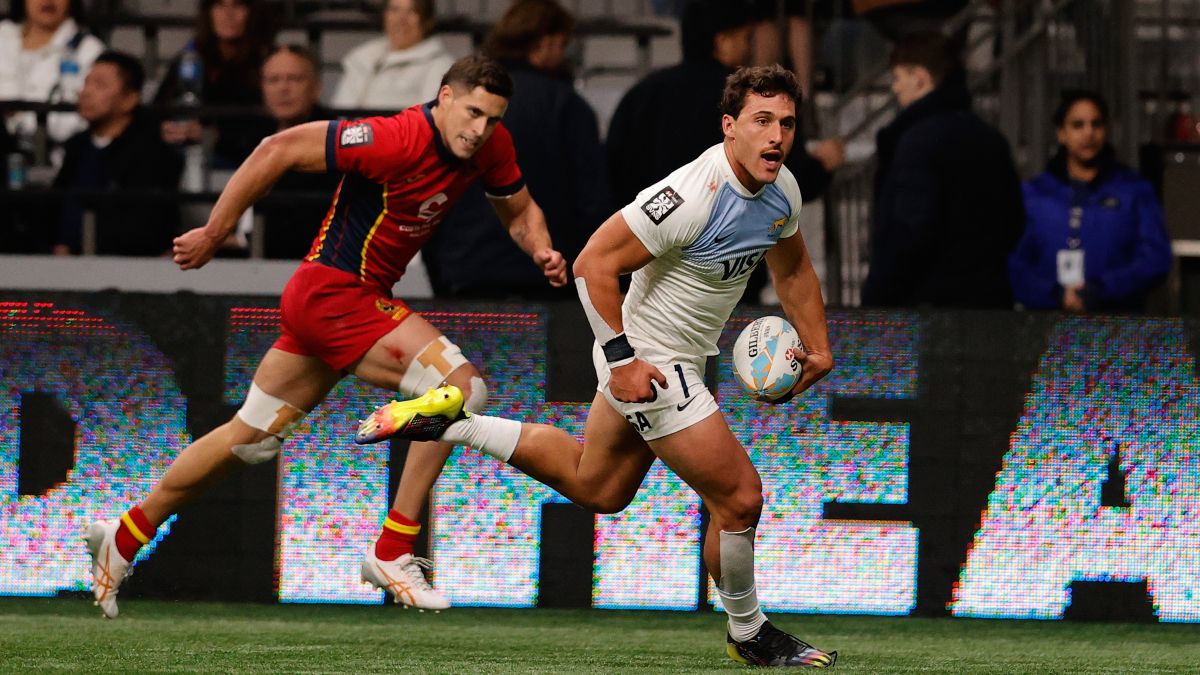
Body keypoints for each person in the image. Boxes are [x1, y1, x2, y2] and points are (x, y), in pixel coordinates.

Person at [359, 65, 837, 668]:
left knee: (598, 487)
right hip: (650, 359)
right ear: (729, 127)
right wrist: (623, 361)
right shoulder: (692, 195)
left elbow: (791, 269)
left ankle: (451, 424)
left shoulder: (782, 190)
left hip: (675, 356)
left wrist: (818, 349)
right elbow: (592, 263)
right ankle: (750, 632)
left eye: (787, 124)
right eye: (761, 121)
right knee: (740, 499)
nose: (776, 137)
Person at [84, 56, 568, 619]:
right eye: (473, 112)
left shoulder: (489, 145)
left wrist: (539, 248)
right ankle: (393, 548)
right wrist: (216, 231)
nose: (480, 129)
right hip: (337, 294)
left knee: (250, 438)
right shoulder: (395, 137)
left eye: (493, 118)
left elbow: (519, 208)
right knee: (460, 388)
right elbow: (277, 148)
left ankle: (124, 535)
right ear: (444, 97)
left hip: (337, 302)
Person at [606, 0, 844, 235]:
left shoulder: (639, 96)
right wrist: (822, 166)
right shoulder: (752, 100)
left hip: (651, 254)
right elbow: (786, 179)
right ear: (722, 42)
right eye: (746, 38)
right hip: (726, 257)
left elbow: (612, 179)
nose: (750, 48)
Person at [423, 0, 608, 299]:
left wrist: (442, 272)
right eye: (561, 45)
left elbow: (431, 189)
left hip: (466, 274)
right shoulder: (568, 106)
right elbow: (592, 204)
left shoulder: (460, 102)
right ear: (544, 43)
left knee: (470, 349)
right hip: (547, 281)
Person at [860, 31, 1023, 308]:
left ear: (920, 78)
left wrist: (877, 298)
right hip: (989, 303)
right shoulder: (991, 138)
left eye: (898, 78)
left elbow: (908, 235)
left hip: (927, 307)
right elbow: (1014, 222)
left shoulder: (917, 142)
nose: (895, 88)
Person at [1009, 91, 1171, 313]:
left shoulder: (1134, 190)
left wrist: (1101, 288)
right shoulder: (1034, 194)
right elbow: (1012, 263)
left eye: (1096, 124)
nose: (1088, 133)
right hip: (1044, 325)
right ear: (1062, 133)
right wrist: (1053, 294)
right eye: (1078, 125)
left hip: (1116, 327)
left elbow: (1155, 259)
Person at [51, 51, 183, 256]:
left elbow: (148, 226)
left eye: (100, 85)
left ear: (130, 99)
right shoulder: (76, 147)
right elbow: (54, 208)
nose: (85, 92)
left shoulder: (155, 154)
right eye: (86, 83)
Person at [154, 0, 276, 166]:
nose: (228, 14)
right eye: (220, 5)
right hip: (188, 155)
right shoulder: (190, 58)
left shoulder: (270, 61)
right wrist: (168, 129)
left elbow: (271, 126)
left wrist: (213, 136)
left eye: (238, 5)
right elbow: (158, 109)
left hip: (249, 157)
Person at [250, 44, 341, 260]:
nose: (283, 88)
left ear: (316, 87)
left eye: (294, 79)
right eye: (273, 80)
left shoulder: (335, 142)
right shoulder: (252, 136)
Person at [0, 0, 105, 151]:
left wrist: (18, 116)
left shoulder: (90, 50)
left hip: (55, 156)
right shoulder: (3, 37)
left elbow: (83, 120)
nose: (47, 1)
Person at [331, 0, 456, 111]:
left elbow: (428, 122)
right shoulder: (362, 58)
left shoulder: (441, 66)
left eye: (412, 11)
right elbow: (341, 113)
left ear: (427, 20)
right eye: (394, 10)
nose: (401, 19)